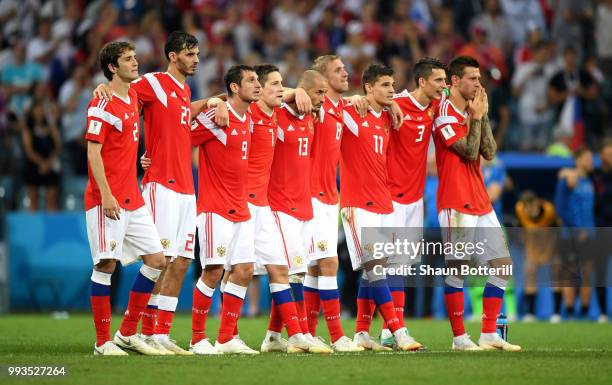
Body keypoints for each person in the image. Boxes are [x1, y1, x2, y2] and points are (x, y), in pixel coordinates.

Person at [95, 31, 221, 355]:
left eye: (197, 54)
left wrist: (208, 101)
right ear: (173, 56)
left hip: (186, 189)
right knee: (160, 259)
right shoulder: (152, 83)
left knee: (180, 262)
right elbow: (121, 97)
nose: (196, 59)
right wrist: (102, 88)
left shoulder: (183, 89)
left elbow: (180, 115)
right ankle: (144, 331)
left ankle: (161, 332)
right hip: (160, 185)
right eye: (190, 54)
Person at [433, 56, 520, 351]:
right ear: (455, 81)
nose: (478, 84)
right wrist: (478, 118)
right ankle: (459, 338)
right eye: (472, 78)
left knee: (503, 266)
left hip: (480, 199)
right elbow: (470, 153)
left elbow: (490, 151)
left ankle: (488, 333)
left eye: (480, 78)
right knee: (458, 267)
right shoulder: (444, 113)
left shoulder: (473, 109)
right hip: (456, 199)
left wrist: (482, 116)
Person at [85, 41, 166, 356]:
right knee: (105, 264)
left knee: (157, 260)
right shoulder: (101, 105)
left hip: (133, 196)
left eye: (135, 57)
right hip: (107, 198)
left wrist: (139, 161)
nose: (136, 62)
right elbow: (93, 151)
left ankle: (127, 332)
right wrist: (105, 193)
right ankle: (102, 342)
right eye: (128, 59)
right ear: (112, 68)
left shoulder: (132, 95)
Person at [246, 65, 331, 354]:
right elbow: (254, 100)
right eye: (319, 92)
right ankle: (301, 333)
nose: (323, 98)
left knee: (295, 273)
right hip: (280, 206)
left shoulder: (310, 117)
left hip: (304, 206)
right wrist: (293, 92)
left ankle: (272, 336)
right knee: (291, 271)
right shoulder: (276, 114)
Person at [340, 64, 422, 352]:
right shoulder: (352, 113)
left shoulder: (387, 115)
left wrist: (393, 105)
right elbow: (321, 101)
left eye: (392, 85)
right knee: (375, 267)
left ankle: (362, 333)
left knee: (373, 270)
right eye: (385, 85)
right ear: (368, 88)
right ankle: (397, 331)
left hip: (383, 202)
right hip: (357, 204)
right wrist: (350, 98)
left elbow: (408, 95)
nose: (391, 90)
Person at [190, 65, 261, 354]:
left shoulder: (249, 118)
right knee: (213, 271)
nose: (257, 85)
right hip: (215, 207)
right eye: (251, 80)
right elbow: (180, 135)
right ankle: (196, 339)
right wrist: (212, 102)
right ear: (234, 87)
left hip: (240, 207)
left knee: (244, 271)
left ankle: (226, 338)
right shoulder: (216, 116)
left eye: (258, 80)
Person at [379, 57, 447, 348]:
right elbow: (366, 102)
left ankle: (387, 331)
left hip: (415, 199)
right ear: (422, 81)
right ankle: (394, 329)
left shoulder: (434, 107)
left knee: (402, 267)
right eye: (439, 81)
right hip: (389, 198)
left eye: (445, 81)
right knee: (383, 266)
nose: (443, 87)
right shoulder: (395, 102)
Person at [305, 54, 367, 352]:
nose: (346, 73)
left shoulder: (338, 108)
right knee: (326, 263)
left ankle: (299, 332)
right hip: (309, 196)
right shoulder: (310, 105)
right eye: (338, 70)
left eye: (345, 68)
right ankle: (337, 335)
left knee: (315, 267)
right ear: (322, 79)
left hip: (330, 196)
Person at [555, 147, 596, 320]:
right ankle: (569, 311)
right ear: (578, 160)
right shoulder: (567, 179)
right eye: (587, 158)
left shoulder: (590, 181)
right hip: (570, 234)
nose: (591, 162)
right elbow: (561, 207)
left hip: (590, 233)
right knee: (569, 273)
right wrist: (576, 229)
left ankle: (585, 312)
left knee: (587, 272)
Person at [515, 190, 560, 322]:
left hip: (549, 239)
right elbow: (522, 234)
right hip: (531, 242)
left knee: (556, 272)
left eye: (531, 206)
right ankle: (530, 313)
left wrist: (550, 252)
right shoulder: (519, 209)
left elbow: (556, 233)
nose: (529, 210)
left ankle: (556, 314)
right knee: (529, 271)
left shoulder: (549, 210)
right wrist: (530, 254)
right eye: (526, 207)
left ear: (537, 202)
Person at [21, 99, 61, 211]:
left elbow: (58, 146)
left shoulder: (51, 127)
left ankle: (53, 225)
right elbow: (29, 151)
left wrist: (48, 163)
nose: (41, 112)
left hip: (50, 164)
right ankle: (33, 225)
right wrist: (42, 163)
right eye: (38, 109)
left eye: (42, 109)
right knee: (33, 198)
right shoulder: (28, 129)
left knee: (52, 197)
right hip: (34, 165)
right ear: (32, 112)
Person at [591, 138, 612, 323]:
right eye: (608, 153)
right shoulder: (594, 176)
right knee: (600, 273)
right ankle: (603, 312)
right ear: (602, 155)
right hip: (600, 230)